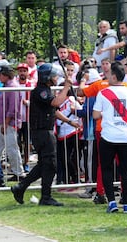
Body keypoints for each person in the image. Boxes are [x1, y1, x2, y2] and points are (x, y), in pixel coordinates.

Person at [11, 63, 79, 206]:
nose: (55, 78)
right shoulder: (41, 91)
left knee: (45, 164)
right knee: (50, 164)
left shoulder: (45, 90)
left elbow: (53, 110)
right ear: (47, 77)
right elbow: (55, 102)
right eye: (54, 76)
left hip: (44, 132)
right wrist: (66, 87)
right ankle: (45, 196)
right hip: (42, 133)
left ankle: (21, 187)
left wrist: (69, 122)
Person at [93, 62, 127, 213]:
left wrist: (106, 114)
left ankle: (112, 202)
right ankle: (126, 203)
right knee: (126, 170)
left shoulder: (103, 93)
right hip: (125, 136)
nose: (106, 76)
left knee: (107, 169)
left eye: (108, 74)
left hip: (108, 136)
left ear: (114, 76)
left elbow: (95, 115)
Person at [0, 65, 26, 181]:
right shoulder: (7, 86)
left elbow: (13, 108)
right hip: (3, 122)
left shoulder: (13, 87)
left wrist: (6, 122)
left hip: (8, 123)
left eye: (0, 75)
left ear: (5, 75)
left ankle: (19, 172)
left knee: (11, 148)